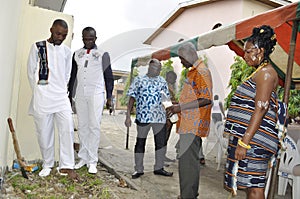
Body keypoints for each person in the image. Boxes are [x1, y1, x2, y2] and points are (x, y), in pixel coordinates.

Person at [224, 25, 280, 199]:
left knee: (255, 188)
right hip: (252, 140)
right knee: (250, 186)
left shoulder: (266, 74)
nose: (244, 55)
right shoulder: (260, 72)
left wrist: (244, 142)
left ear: (261, 51)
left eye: (249, 52)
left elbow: (261, 107)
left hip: (255, 142)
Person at [27, 19, 78, 179]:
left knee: (67, 129)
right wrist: (39, 92)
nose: (60, 37)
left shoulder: (67, 52)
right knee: (44, 132)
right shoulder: (37, 47)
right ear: (51, 30)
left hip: (61, 97)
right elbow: (31, 72)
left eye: (64, 35)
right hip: (42, 97)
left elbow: (68, 75)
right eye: (58, 33)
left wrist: (62, 91)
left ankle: (66, 166)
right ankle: (47, 164)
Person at [167, 42, 213, 199]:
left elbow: (206, 99)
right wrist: (177, 105)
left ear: (189, 54)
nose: (181, 62)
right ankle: (188, 193)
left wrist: (180, 108)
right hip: (188, 124)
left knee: (188, 163)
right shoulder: (193, 72)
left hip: (193, 125)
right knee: (187, 162)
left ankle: (188, 195)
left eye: (181, 58)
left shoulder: (202, 72)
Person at [68, 27, 114, 174]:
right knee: (82, 126)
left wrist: (109, 97)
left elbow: (109, 77)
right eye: (85, 39)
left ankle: (92, 160)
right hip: (81, 93)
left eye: (91, 39)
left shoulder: (103, 54)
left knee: (94, 126)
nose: (88, 41)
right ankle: (83, 157)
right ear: (82, 38)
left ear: (95, 38)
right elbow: (73, 76)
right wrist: (69, 95)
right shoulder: (77, 54)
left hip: (96, 94)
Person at [125, 58, 173, 179]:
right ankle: (139, 169)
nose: (157, 71)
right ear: (149, 67)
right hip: (143, 117)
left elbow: (166, 100)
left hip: (160, 118)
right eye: (155, 68)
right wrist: (127, 116)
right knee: (140, 143)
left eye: (159, 69)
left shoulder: (162, 81)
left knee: (161, 144)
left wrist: (169, 115)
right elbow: (132, 98)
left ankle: (159, 168)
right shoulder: (139, 80)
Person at [165, 71, 177, 163]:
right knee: (164, 136)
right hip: (166, 115)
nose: (174, 80)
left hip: (170, 114)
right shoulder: (165, 87)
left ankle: (163, 156)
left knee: (167, 136)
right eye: (173, 78)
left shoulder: (171, 87)